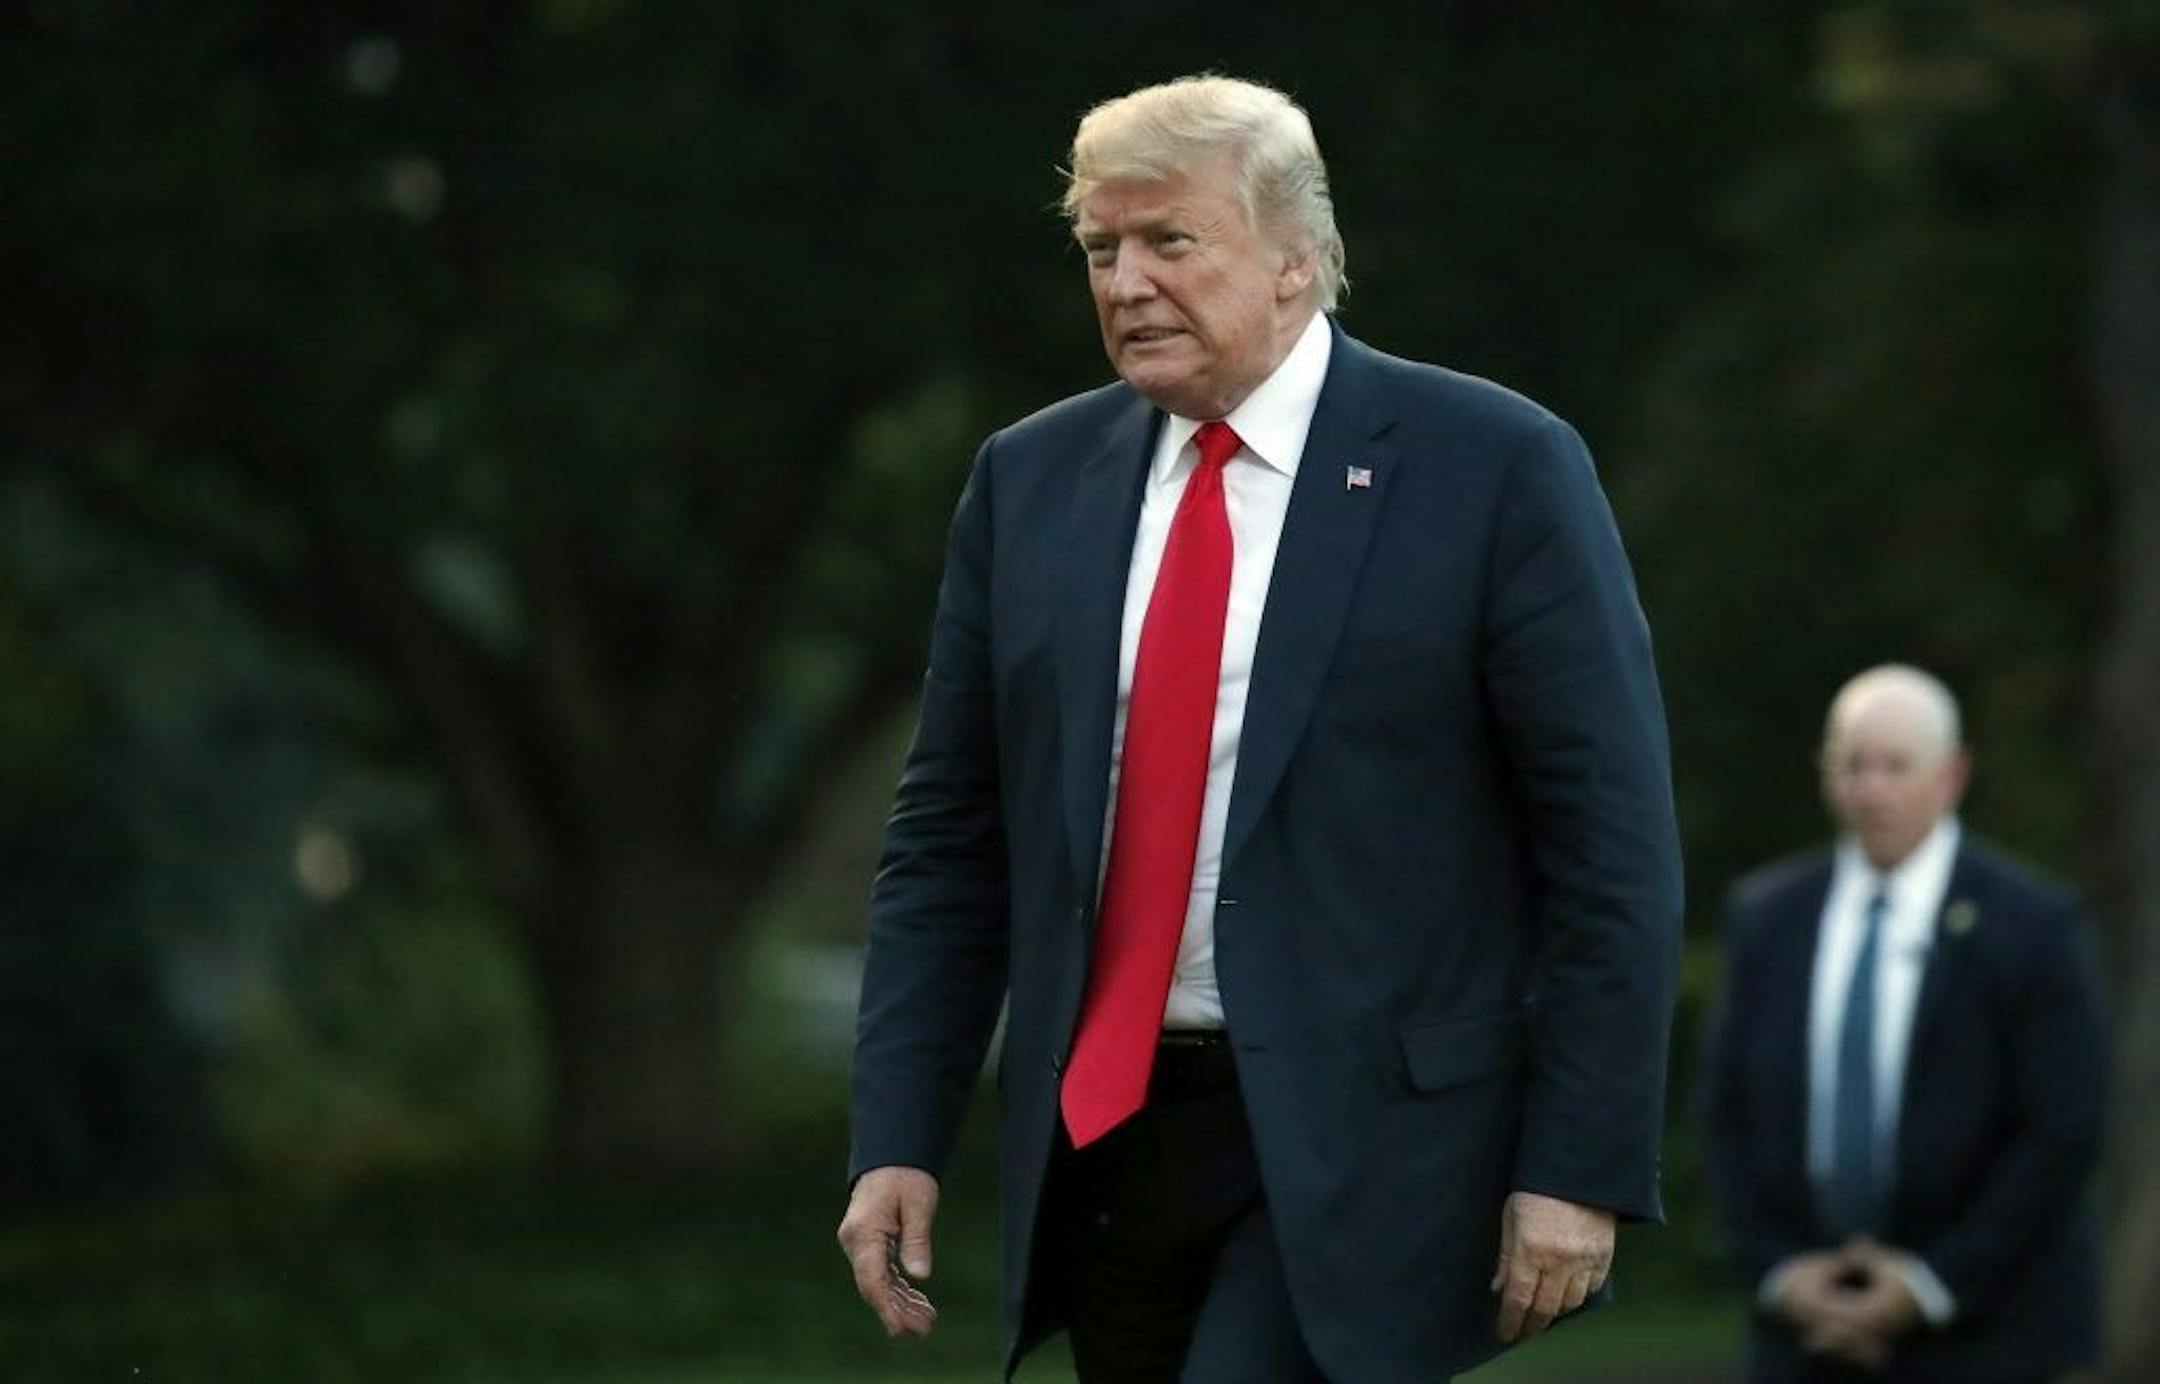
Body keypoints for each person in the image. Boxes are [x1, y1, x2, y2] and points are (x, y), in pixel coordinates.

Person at [838, 74, 1683, 1382]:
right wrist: (897, 1135)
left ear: (1296, 262)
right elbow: (949, 838)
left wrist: (1580, 1165)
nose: (1125, 283)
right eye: (1101, 250)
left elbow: (1611, 848)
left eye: (1170, 242)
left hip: (1372, 1142)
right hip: (1107, 1137)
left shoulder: (1494, 466)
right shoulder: (1031, 481)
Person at [1700, 664, 2109, 1383]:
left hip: (1991, 1339)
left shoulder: (2033, 925)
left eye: (1895, 766)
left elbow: (2063, 1127)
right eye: (1853, 765)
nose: (1872, 789)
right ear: (1826, 773)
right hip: (1803, 1341)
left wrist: (1927, 1286)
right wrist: (1783, 1276)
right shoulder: (1767, 917)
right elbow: (1726, 1114)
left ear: (1951, 775)